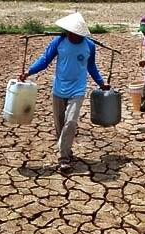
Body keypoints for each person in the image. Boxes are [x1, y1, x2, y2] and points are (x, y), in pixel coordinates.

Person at [19, 12, 110, 172]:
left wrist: (101, 82)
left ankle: (63, 158)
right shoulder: (59, 41)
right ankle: (67, 150)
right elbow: (45, 60)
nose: (71, 34)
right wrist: (29, 72)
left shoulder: (89, 45)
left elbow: (91, 67)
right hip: (59, 89)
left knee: (71, 122)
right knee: (60, 125)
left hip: (78, 89)